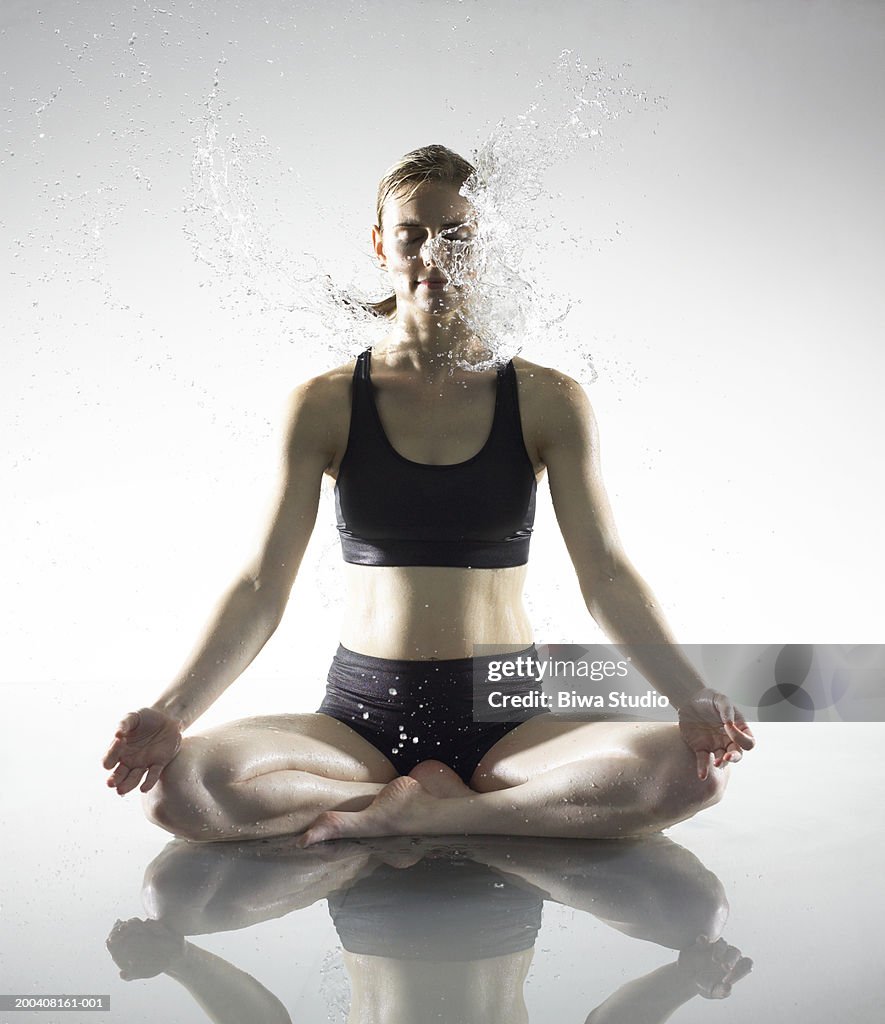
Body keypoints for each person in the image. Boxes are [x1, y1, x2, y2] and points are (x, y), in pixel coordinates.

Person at [102, 144, 755, 845]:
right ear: (381, 244)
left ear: (485, 251)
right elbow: (261, 585)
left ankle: (443, 813)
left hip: (510, 717)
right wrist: (173, 712)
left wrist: (689, 693)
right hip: (359, 719)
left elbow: (606, 575)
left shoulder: (548, 400)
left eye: (459, 238)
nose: (433, 256)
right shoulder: (322, 404)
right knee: (178, 791)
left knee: (693, 775)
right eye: (412, 234)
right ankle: (405, 802)